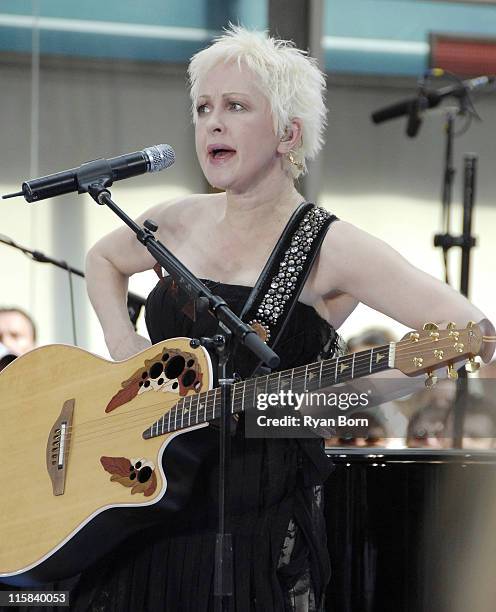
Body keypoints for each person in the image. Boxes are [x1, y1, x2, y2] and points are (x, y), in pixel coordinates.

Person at [80, 25, 493, 611]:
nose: (212, 123)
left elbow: (473, 330)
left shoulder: (329, 246)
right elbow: (102, 259)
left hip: (254, 522)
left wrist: (343, 396)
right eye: (203, 108)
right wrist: (121, 345)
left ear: (287, 133)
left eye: (236, 106)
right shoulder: (174, 219)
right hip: (140, 506)